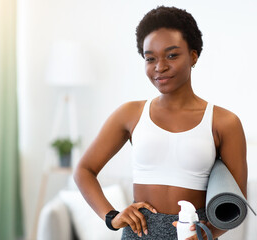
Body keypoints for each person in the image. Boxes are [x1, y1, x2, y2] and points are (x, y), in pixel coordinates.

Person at [74, 6, 247, 240]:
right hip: (139, 234)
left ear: (193, 55)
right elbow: (84, 170)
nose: (160, 66)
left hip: (192, 234)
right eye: (150, 58)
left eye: (172, 55)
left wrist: (208, 234)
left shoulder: (224, 122)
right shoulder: (130, 114)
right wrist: (111, 217)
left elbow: (236, 206)